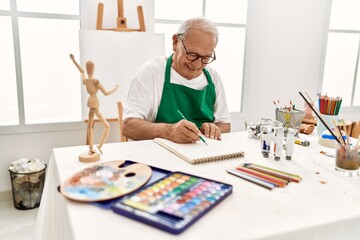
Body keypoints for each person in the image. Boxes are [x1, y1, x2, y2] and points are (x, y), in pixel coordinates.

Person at [123, 17, 230, 143]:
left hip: (201, 156)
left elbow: (225, 125)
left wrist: (213, 129)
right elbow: (128, 127)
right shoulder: (151, 72)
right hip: (159, 157)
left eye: (206, 58)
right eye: (192, 55)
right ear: (175, 42)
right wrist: (169, 131)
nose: (197, 65)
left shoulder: (213, 77)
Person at [70, 54, 119, 156]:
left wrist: (74, 61)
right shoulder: (95, 81)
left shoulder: (86, 81)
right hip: (95, 103)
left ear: (88, 69)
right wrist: (115, 87)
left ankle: (91, 147)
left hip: (90, 102)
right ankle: (99, 146)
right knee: (107, 126)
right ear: (93, 69)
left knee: (90, 126)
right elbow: (106, 93)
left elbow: (81, 71)